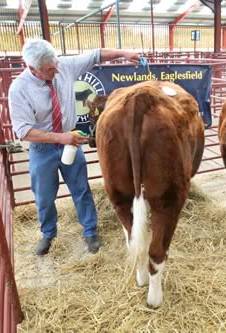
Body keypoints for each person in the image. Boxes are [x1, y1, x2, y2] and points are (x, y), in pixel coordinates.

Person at [9, 39, 140, 255]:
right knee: (44, 195)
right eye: (50, 69)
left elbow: (96, 54)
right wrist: (61, 138)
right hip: (43, 148)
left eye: (56, 64)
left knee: (81, 189)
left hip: (70, 143)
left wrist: (123, 52)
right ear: (33, 69)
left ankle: (90, 232)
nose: (57, 71)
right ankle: (48, 233)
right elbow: (24, 131)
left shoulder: (62, 66)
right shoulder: (19, 89)